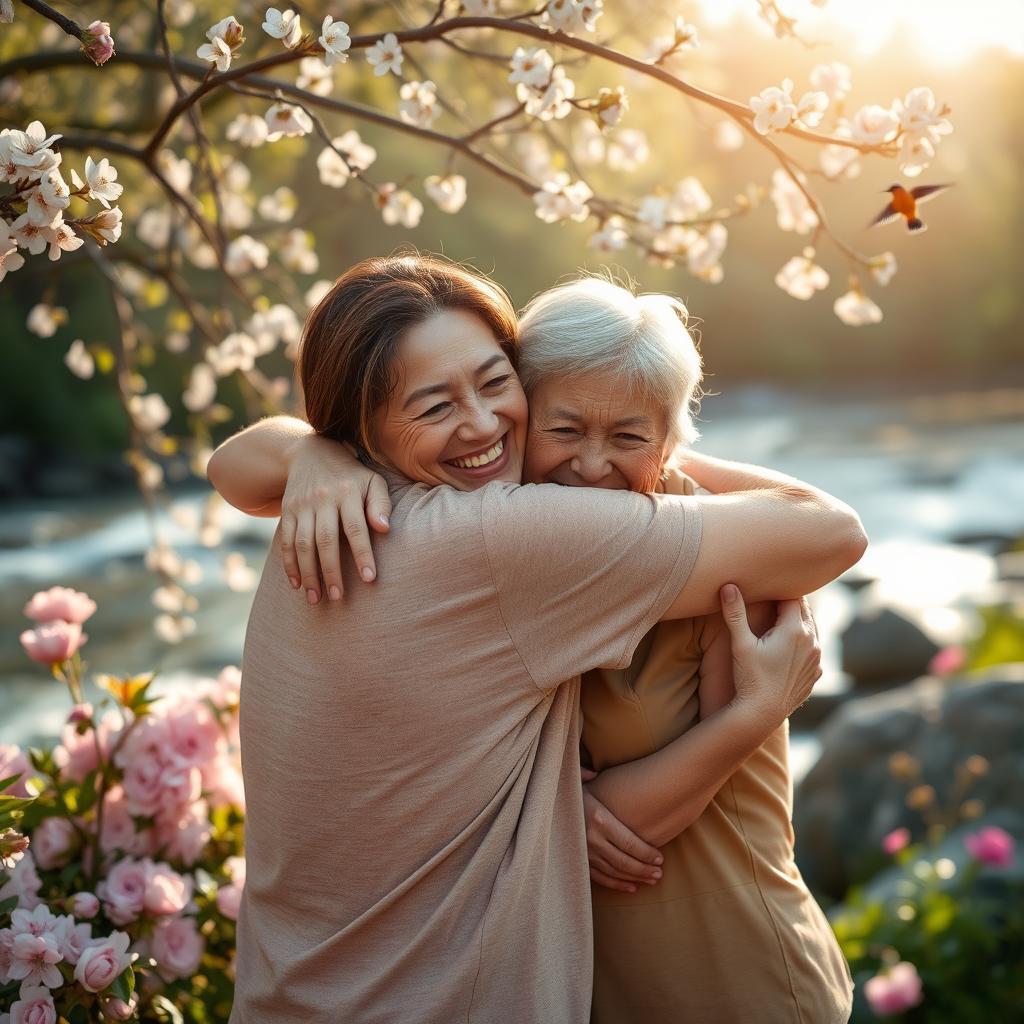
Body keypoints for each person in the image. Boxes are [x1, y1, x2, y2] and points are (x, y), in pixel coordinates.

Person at [208, 253, 866, 1023]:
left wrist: (307, 454)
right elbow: (829, 531)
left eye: (495, 382)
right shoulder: (497, 540)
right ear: (360, 427)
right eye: (434, 406)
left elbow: (229, 463)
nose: (483, 424)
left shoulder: (321, 518)